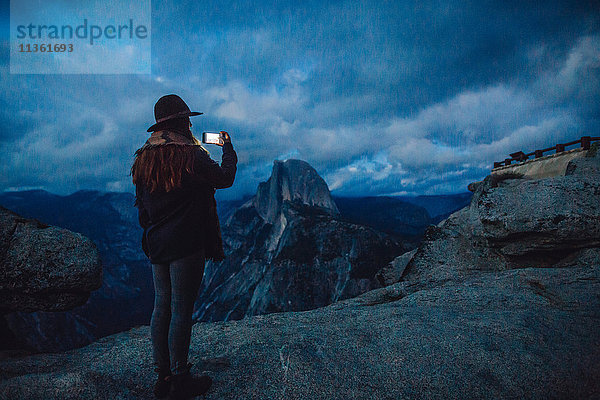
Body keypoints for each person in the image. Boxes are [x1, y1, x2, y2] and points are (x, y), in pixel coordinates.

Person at [130, 94, 237, 399]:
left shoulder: (144, 157)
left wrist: (150, 234)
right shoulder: (191, 155)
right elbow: (225, 178)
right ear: (180, 122)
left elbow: (143, 206)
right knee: (181, 310)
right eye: (188, 118)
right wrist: (228, 149)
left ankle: (163, 377)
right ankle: (181, 378)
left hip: (157, 243)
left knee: (161, 306)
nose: (191, 123)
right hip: (187, 243)